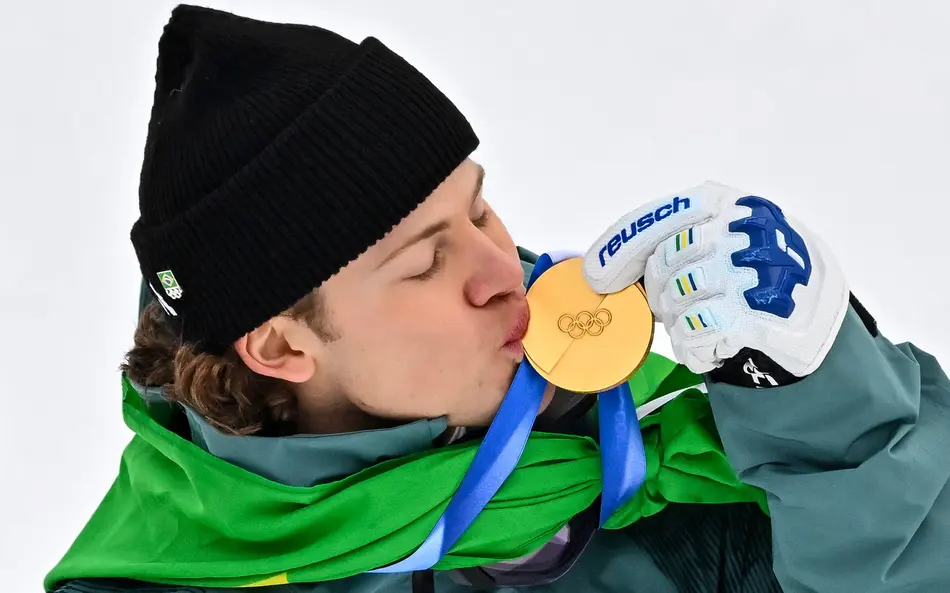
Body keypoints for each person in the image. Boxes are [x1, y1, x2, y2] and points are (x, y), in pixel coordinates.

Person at [46, 5, 950, 593]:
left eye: (478, 208)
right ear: (281, 346)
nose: (501, 270)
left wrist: (823, 405)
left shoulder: (662, 466)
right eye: (425, 262)